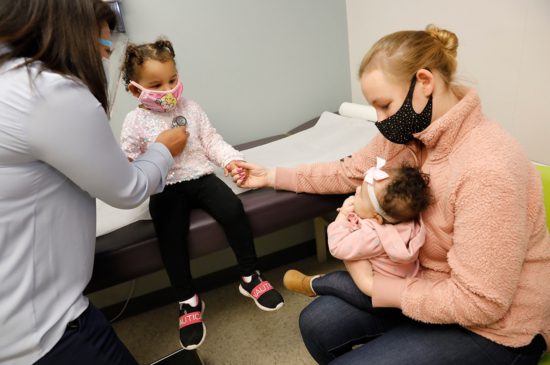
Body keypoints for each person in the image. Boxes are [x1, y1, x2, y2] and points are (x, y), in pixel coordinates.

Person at [232, 24, 550, 364]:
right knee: (317, 324)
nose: (381, 121)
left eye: (385, 106)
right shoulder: (409, 134)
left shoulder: (489, 168)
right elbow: (350, 170)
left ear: (424, 83)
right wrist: (272, 175)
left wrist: (375, 288)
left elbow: (482, 302)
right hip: (425, 280)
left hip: (498, 327)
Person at [0, 0, 188, 364]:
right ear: (73, 35)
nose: (104, 59)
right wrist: (164, 149)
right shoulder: (47, 94)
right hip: (44, 330)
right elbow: (129, 188)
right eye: (104, 48)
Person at [119, 38, 284, 350]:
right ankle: (188, 300)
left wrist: (233, 160)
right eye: (156, 84)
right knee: (170, 236)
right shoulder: (134, 121)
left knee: (233, 209)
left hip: (200, 175)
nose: (168, 90)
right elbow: (128, 160)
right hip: (164, 184)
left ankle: (250, 277)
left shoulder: (190, 108)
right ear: (135, 90)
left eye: (173, 80)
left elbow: (211, 140)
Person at [284, 158, 431, 308]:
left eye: (360, 196)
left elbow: (337, 246)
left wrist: (342, 217)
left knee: (337, 280)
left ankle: (312, 284)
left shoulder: (373, 236)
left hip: (380, 296)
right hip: (403, 282)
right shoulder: (407, 223)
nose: (356, 193)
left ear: (376, 218)